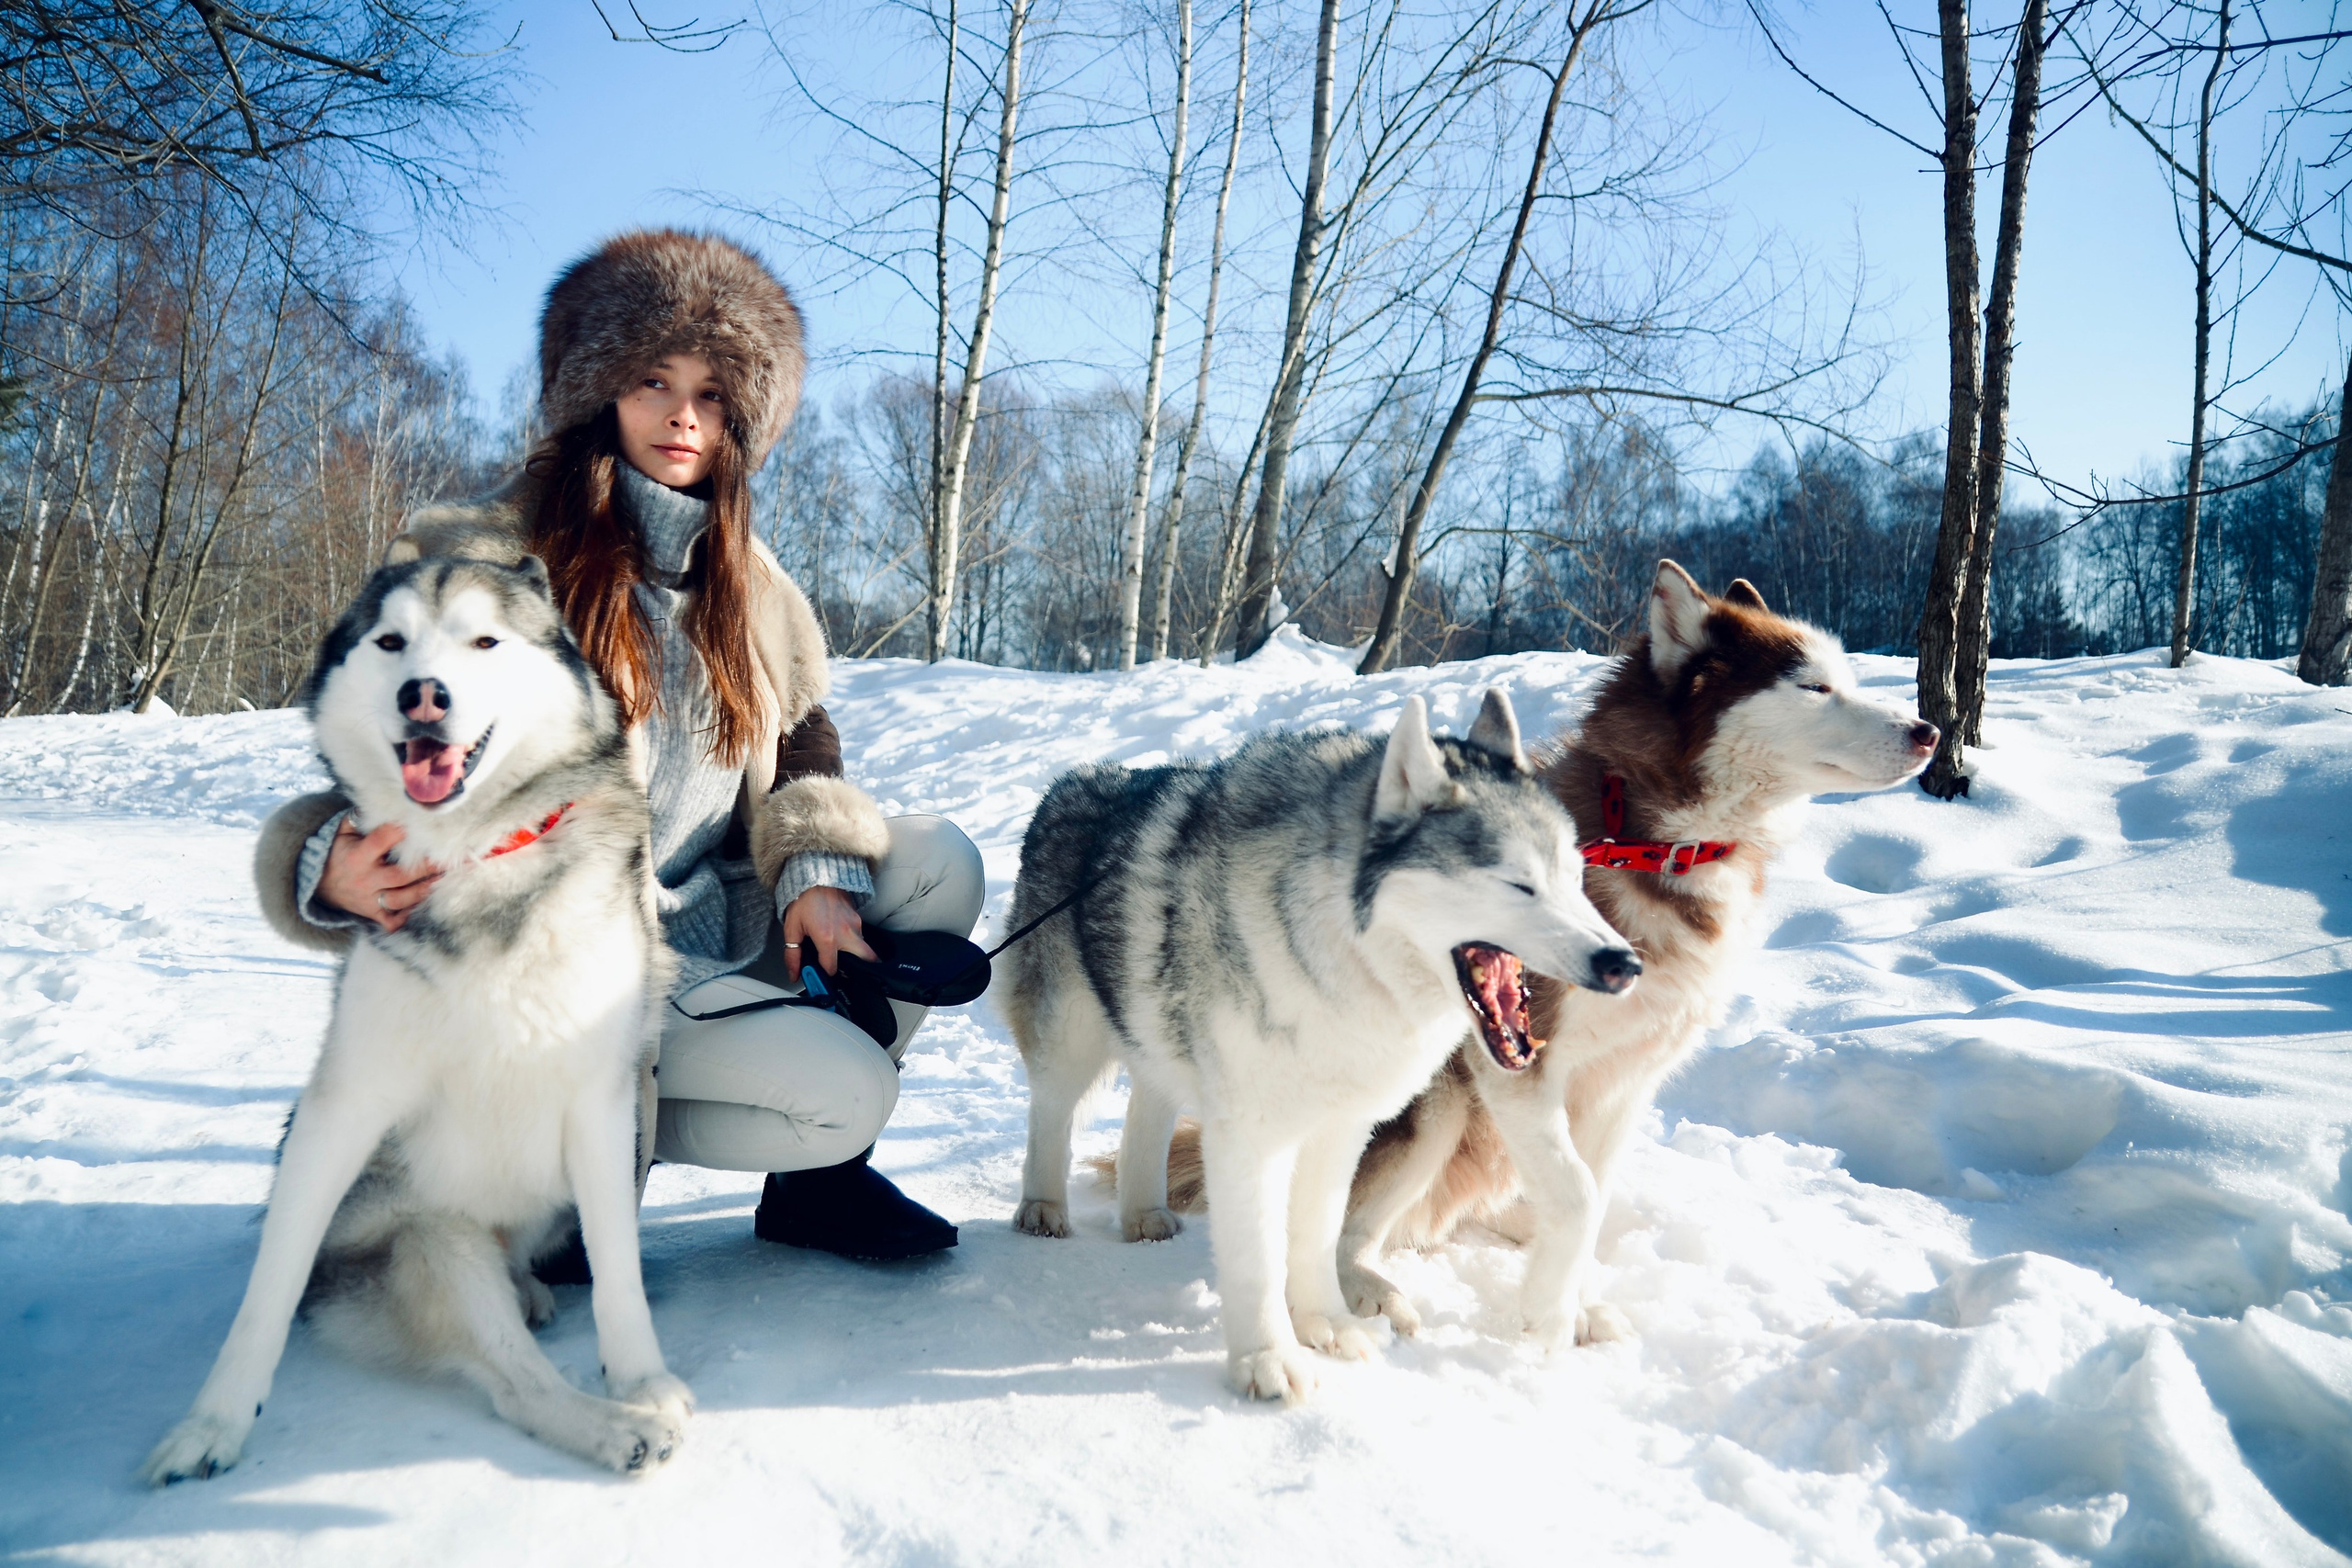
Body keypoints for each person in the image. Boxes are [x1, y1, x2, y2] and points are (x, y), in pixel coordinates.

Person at [253, 230, 981, 1259]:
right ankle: (544, 1166)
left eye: (715, 393)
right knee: (843, 1087)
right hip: (557, 973)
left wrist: (815, 870)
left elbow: (803, 736)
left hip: (709, 936)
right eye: (654, 379)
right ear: (601, 392)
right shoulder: (481, 555)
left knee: (937, 859)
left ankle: (816, 1190)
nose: (685, 414)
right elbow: (376, 736)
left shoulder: (751, 583)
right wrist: (329, 857)